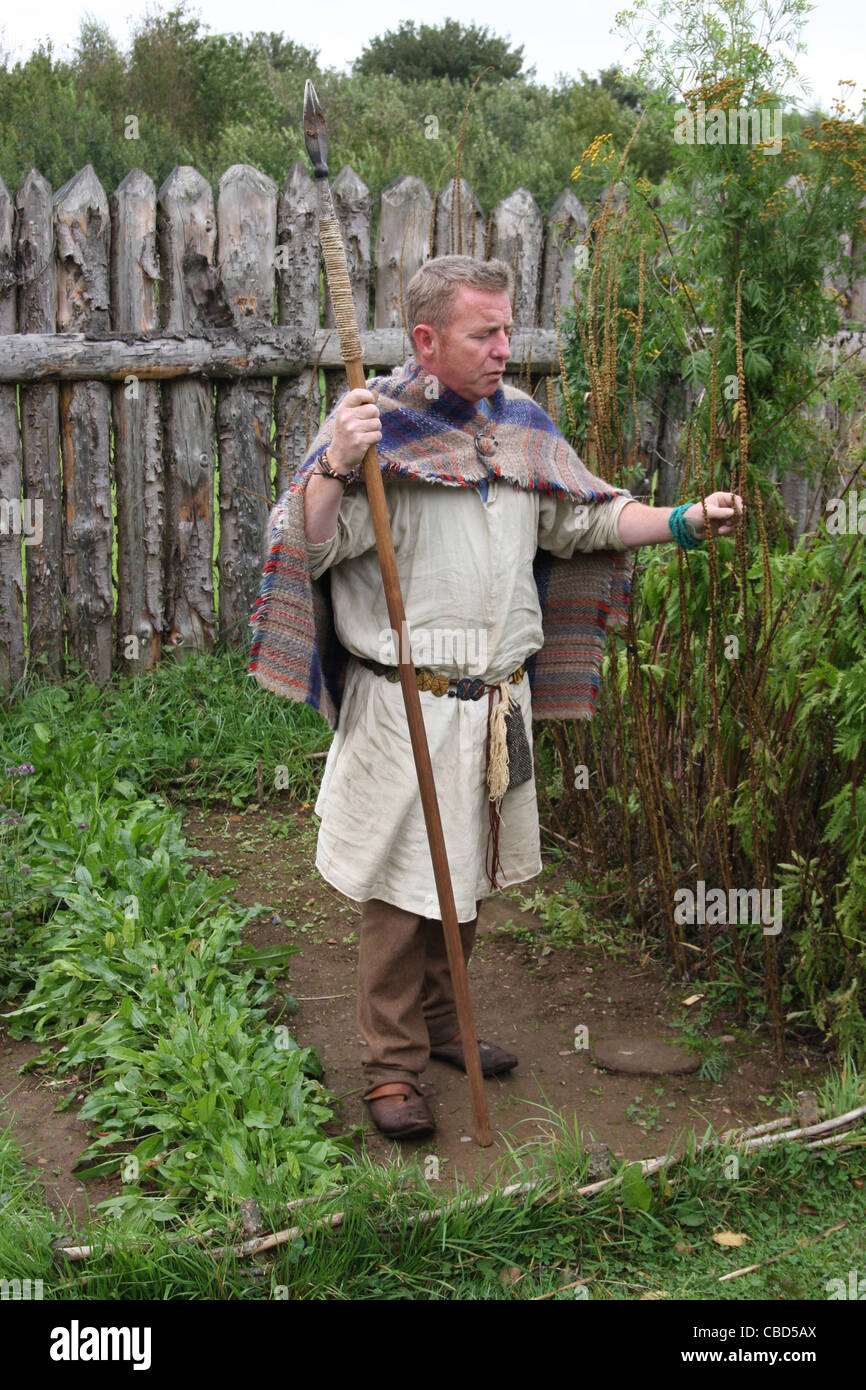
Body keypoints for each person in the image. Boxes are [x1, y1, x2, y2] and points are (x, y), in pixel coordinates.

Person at [250, 254, 744, 1139]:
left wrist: (681, 521)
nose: (504, 349)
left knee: (471, 877)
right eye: (485, 334)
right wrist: (336, 464)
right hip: (406, 706)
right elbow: (309, 547)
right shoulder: (378, 436)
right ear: (427, 340)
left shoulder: (518, 426)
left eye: (508, 329)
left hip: (497, 706)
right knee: (402, 893)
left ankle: (446, 1024)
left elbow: (583, 517)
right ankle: (390, 1067)